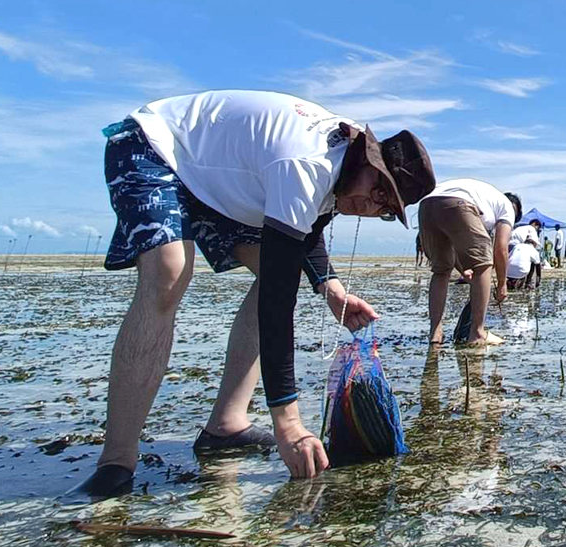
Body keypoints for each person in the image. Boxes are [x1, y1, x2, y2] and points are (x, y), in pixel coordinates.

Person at [72, 90, 436, 497]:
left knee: (271, 270)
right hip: (155, 146)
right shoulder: (307, 164)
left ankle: (226, 426)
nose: (371, 204)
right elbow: (277, 302)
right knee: (169, 272)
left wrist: (330, 288)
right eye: (379, 188)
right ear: (368, 157)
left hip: (219, 184)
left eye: (387, 207)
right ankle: (116, 461)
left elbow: (303, 235)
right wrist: (288, 422)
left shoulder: (342, 174)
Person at [418, 179, 517, 345]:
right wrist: (502, 284)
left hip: (427, 204)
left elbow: (454, 245)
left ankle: (435, 333)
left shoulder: (484, 197)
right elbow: (500, 248)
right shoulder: (508, 209)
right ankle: (477, 333)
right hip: (459, 203)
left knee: (441, 271)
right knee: (484, 265)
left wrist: (463, 270)